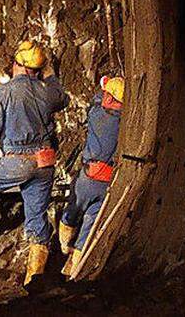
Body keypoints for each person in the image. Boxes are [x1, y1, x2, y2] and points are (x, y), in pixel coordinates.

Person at [0, 40, 69, 285]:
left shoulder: (5, 92)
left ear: (18, 64)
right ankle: (35, 281)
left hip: (17, 161)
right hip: (45, 163)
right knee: (36, 218)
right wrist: (51, 77)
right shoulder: (48, 91)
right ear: (39, 69)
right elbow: (62, 98)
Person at [59, 75, 124, 276]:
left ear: (109, 99)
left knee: (73, 210)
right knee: (90, 223)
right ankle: (74, 268)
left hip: (88, 178)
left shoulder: (97, 115)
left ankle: (63, 245)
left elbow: (96, 101)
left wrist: (104, 87)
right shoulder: (124, 123)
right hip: (107, 182)